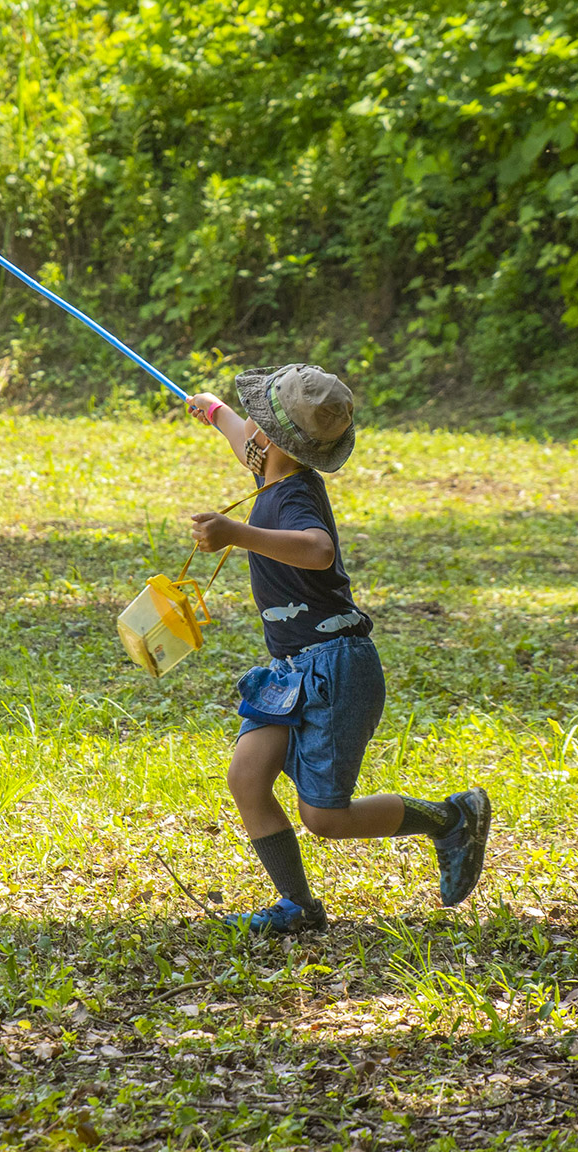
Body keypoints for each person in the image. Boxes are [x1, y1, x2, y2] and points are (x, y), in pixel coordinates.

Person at [186, 364, 490, 934]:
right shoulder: (271, 468)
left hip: (336, 666)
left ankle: (449, 817)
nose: (243, 422)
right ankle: (299, 907)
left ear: (273, 439)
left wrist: (236, 534)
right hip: (292, 668)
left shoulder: (295, 495)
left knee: (324, 817)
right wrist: (210, 409)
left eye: (253, 416)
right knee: (248, 778)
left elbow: (317, 549)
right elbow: (238, 435)